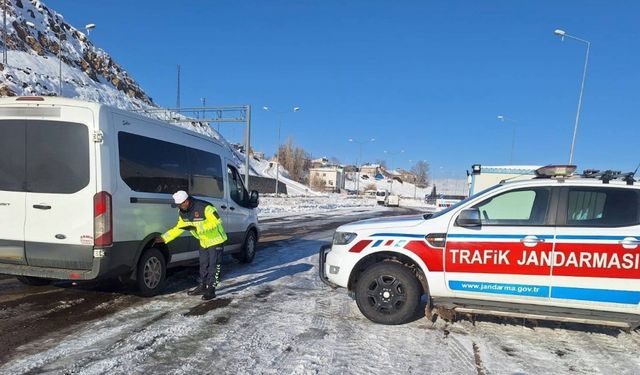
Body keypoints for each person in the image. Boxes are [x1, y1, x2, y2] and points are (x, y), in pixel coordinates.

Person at [156, 190, 227, 300]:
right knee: (203, 265)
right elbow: (179, 228)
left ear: (186, 201)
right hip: (204, 241)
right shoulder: (183, 212)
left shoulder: (205, 207)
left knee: (214, 266)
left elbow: (217, 221)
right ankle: (203, 286)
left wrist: (198, 228)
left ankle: (211, 289)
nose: (179, 207)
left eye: (180, 205)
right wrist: (164, 238)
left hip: (216, 240)